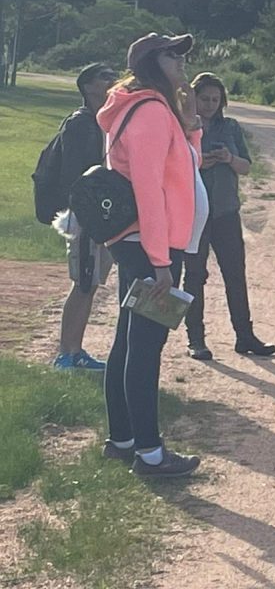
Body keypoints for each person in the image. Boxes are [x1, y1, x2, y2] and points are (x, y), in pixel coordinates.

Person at [96, 32, 206, 478]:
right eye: (172, 53)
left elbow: (184, 170)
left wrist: (192, 125)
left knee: (129, 339)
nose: (181, 60)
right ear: (149, 62)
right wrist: (161, 260)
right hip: (149, 244)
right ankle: (150, 453)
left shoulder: (148, 108)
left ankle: (123, 440)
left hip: (142, 241)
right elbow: (148, 187)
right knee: (145, 346)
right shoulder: (148, 111)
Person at [181, 72, 275, 360]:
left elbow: (247, 166)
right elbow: (171, 167)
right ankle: (196, 339)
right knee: (195, 276)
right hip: (194, 212)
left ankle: (244, 336)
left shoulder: (230, 127)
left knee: (235, 275)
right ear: (193, 99)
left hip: (226, 211)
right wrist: (199, 164)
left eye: (215, 99)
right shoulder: (182, 126)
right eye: (204, 98)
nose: (210, 104)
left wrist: (229, 159)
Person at [49, 62, 118, 370]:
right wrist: (84, 213)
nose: (112, 80)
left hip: (99, 214)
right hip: (85, 215)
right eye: (105, 77)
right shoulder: (80, 123)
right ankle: (66, 353)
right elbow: (73, 176)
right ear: (88, 86)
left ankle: (76, 350)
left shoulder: (102, 121)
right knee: (83, 283)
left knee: (89, 284)